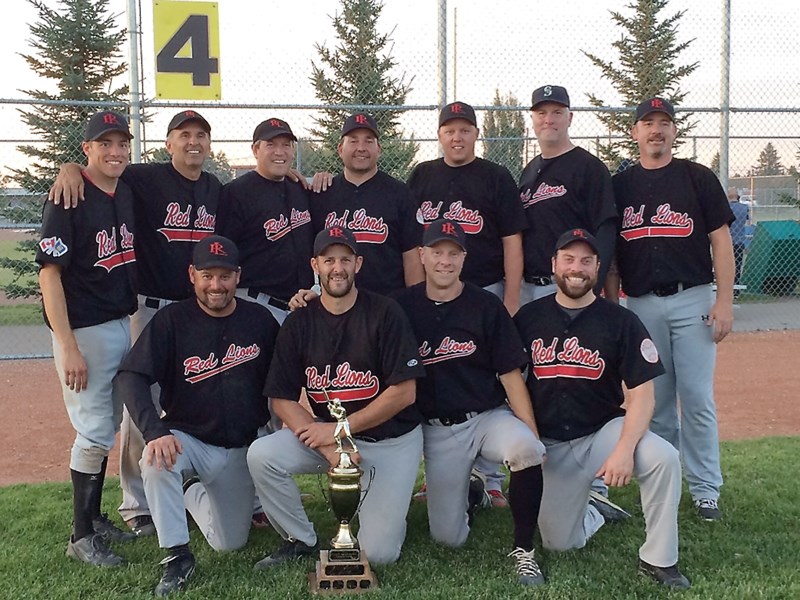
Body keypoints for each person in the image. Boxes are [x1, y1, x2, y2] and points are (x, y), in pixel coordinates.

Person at [50, 110, 222, 536]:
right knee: (137, 401)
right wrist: (68, 167)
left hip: (194, 308)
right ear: (168, 143)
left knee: (190, 395)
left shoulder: (216, 188)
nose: (193, 142)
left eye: (201, 135)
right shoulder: (143, 179)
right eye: (184, 135)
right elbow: (95, 174)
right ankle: (137, 504)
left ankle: (179, 481)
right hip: (146, 307)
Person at [514, 228, 690, 590]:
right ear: (554, 264)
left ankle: (659, 560)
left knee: (663, 457)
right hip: (549, 444)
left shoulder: (620, 320)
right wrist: (526, 438)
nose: (576, 268)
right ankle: (593, 508)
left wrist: (624, 451)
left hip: (601, 433)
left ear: (598, 268)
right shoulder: (528, 319)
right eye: (568, 259)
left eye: (586, 261)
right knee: (560, 543)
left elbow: (643, 394)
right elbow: (511, 384)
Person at [247, 226, 425, 567]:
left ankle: (386, 508)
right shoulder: (299, 320)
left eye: (345, 259)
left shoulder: (385, 312)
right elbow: (281, 398)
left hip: (389, 441)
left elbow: (404, 392)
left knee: (380, 555)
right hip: (333, 441)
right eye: (329, 260)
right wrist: (330, 445)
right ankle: (299, 538)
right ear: (315, 265)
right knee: (263, 454)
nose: (337, 268)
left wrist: (339, 429)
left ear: (358, 263)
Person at [114, 235, 280, 596]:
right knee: (157, 460)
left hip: (240, 447)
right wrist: (155, 431)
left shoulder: (260, 320)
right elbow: (132, 376)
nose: (215, 285)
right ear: (192, 275)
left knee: (229, 543)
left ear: (238, 276)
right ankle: (177, 556)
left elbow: (287, 375)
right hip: (188, 440)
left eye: (224, 276)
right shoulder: (172, 321)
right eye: (207, 275)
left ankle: (190, 491)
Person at [391, 219, 547, 586]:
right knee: (448, 538)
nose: (445, 261)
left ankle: (524, 550)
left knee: (526, 449)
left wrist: (533, 434)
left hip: (485, 418)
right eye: (437, 252)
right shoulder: (400, 307)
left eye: (453, 253)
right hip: (434, 431)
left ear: (464, 258)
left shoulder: (485, 305)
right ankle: (474, 492)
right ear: (422, 256)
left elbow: (510, 374)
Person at [607, 97, 736, 521]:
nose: (656, 130)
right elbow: (610, 254)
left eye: (664, 122)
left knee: (696, 398)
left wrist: (724, 300)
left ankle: (706, 490)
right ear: (635, 133)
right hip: (640, 303)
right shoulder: (620, 185)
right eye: (648, 123)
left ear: (674, 131)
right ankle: (665, 484)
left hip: (693, 297)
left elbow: (720, 240)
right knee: (656, 402)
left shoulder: (696, 178)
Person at [408, 101, 525, 506]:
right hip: (434, 296)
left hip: (486, 290)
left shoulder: (495, 177)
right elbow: (411, 242)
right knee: (435, 375)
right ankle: (436, 475)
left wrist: (510, 300)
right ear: (439, 135)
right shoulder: (422, 175)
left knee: (488, 380)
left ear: (477, 134)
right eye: (449, 130)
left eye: (464, 130)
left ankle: (489, 478)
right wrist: (415, 296)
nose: (456, 137)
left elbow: (512, 239)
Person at [37, 110, 138, 566]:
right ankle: (81, 536)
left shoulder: (124, 189)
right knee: (94, 430)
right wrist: (68, 344)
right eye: (105, 144)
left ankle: (94, 520)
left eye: (121, 144)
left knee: (108, 424)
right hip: (86, 330)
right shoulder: (67, 198)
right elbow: (49, 276)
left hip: (120, 321)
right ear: (87, 150)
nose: (115, 152)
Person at [517, 85, 617, 304]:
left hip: (568, 285)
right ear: (532, 119)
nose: (548, 120)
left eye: (557, 113)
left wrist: (593, 285)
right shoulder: (530, 170)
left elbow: (606, 230)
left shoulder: (589, 167)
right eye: (541, 113)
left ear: (569, 118)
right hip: (527, 287)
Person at [306, 112, 423, 296]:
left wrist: (416, 302)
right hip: (336, 306)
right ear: (340, 149)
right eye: (353, 141)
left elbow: (411, 255)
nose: (361, 147)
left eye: (369, 141)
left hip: (388, 303)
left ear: (379, 149)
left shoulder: (399, 193)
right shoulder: (322, 193)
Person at [216, 118, 314, 324]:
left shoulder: (299, 188)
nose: (280, 152)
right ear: (255, 150)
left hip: (300, 306)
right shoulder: (236, 193)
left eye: (286, 145)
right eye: (271, 145)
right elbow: (223, 254)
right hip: (255, 304)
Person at [727, 187, 750, 294]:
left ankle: (726, 287)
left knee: (726, 265)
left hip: (728, 240)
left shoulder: (726, 208)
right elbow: (747, 221)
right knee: (738, 264)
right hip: (739, 240)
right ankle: (736, 289)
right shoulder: (744, 208)